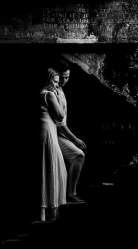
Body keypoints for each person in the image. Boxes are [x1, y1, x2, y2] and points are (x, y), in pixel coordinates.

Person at [53, 60, 87, 204]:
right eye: (62, 77)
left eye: (67, 77)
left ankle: (71, 194)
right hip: (55, 134)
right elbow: (60, 125)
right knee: (79, 155)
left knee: (79, 156)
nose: (64, 81)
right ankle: (71, 194)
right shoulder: (53, 91)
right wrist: (75, 140)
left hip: (60, 133)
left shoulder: (60, 89)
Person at [38, 68, 67, 221]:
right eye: (55, 82)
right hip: (48, 130)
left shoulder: (40, 93)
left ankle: (45, 212)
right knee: (53, 167)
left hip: (46, 128)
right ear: (48, 80)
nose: (57, 85)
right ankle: (51, 211)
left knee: (48, 167)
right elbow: (61, 116)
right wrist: (60, 99)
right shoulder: (49, 95)